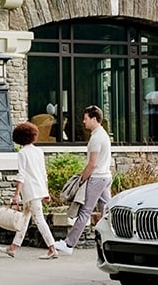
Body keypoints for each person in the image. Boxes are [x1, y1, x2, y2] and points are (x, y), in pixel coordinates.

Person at [0, 122, 72, 259]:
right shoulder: (39, 151)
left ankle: (52, 248)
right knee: (25, 219)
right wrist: (46, 192)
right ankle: (13, 247)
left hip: (30, 191)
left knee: (39, 220)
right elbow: (43, 173)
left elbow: (21, 175)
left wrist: (16, 195)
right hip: (38, 189)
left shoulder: (22, 153)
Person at [62, 105, 112, 251]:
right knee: (107, 211)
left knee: (85, 211)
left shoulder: (97, 138)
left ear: (94, 119)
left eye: (86, 119)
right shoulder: (102, 134)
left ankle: (68, 244)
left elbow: (92, 163)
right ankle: (111, 241)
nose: (84, 122)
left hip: (97, 178)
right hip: (105, 176)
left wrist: (82, 179)